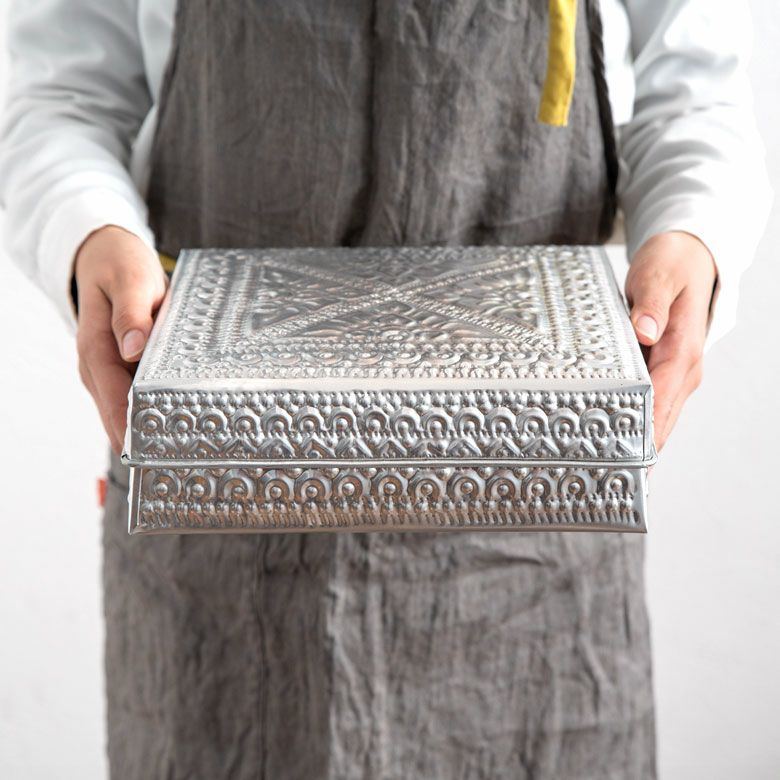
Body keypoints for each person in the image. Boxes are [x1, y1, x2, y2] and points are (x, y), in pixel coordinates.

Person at [0, 1, 771, 778]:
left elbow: (693, 91)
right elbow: (64, 94)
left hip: (535, 527)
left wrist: (694, 234)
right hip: (216, 505)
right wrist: (89, 232)